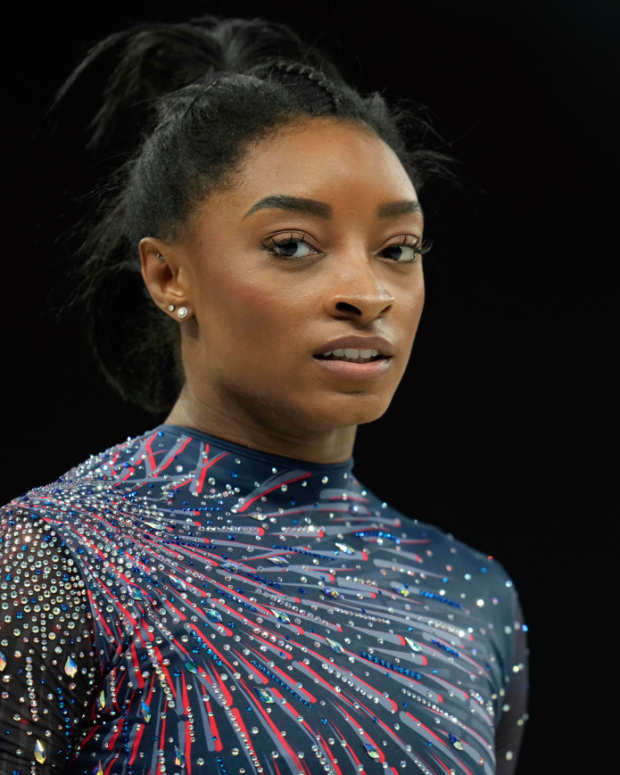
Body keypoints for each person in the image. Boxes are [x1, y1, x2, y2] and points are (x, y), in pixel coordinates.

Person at [0, 13, 528, 775]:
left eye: (398, 249)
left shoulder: (471, 595)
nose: (367, 292)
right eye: (293, 246)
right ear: (167, 275)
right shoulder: (49, 563)